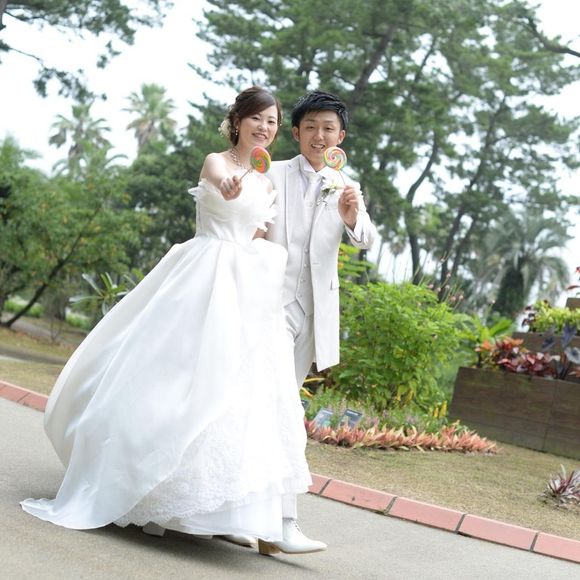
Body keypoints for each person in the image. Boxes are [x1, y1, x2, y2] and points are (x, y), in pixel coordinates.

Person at [21, 86, 326, 556]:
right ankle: (150, 498)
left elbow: (257, 236)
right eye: (257, 118)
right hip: (202, 276)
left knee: (236, 392)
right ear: (238, 121)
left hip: (243, 290)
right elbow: (222, 186)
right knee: (176, 377)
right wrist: (229, 188)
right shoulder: (216, 163)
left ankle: (219, 512)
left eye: (272, 121)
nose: (265, 128)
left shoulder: (268, 184)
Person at [266, 90, 377, 389]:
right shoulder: (272, 174)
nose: (319, 136)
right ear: (296, 132)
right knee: (269, 380)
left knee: (290, 388)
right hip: (273, 298)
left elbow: (366, 239)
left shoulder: (347, 185)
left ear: (340, 137)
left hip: (315, 307)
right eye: (310, 127)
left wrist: (351, 218)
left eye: (328, 128)